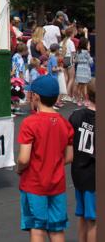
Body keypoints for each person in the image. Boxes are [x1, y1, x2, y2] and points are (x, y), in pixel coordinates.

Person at [17, 76, 74, 241]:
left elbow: (24, 159)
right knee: (57, 228)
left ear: (36, 96)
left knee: (37, 227)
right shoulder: (65, 123)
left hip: (34, 183)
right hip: (57, 184)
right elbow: (69, 157)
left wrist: (20, 169)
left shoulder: (30, 123)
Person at [68, 80, 96, 242]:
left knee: (84, 216)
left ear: (86, 95)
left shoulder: (76, 116)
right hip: (94, 176)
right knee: (94, 220)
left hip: (79, 173)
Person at [74, 38, 94, 106]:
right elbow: (91, 61)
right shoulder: (86, 53)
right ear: (85, 45)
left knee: (79, 87)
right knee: (85, 86)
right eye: (89, 44)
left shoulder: (78, 52)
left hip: (79, 70)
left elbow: (76, 60)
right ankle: (86, 100)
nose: (90, 46)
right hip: (85, 71)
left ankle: (78, 100)